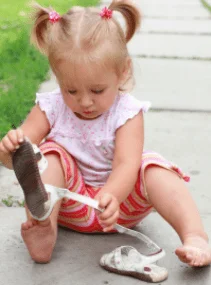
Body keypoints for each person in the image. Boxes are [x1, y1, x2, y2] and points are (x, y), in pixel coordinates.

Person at [0, 0, 210, 268]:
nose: (85, 102)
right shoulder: (51, 107)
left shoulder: (127, 112)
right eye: (71, 90)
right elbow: (23, 158)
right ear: (58, 76)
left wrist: (112, 194)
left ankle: (194, 236)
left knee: (153, 167)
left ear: (123, 72)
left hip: (119, 208)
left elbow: (126, 163)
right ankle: (43, 226)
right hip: (68, 204)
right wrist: (10, 149)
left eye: (97, 90)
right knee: (48, 156)